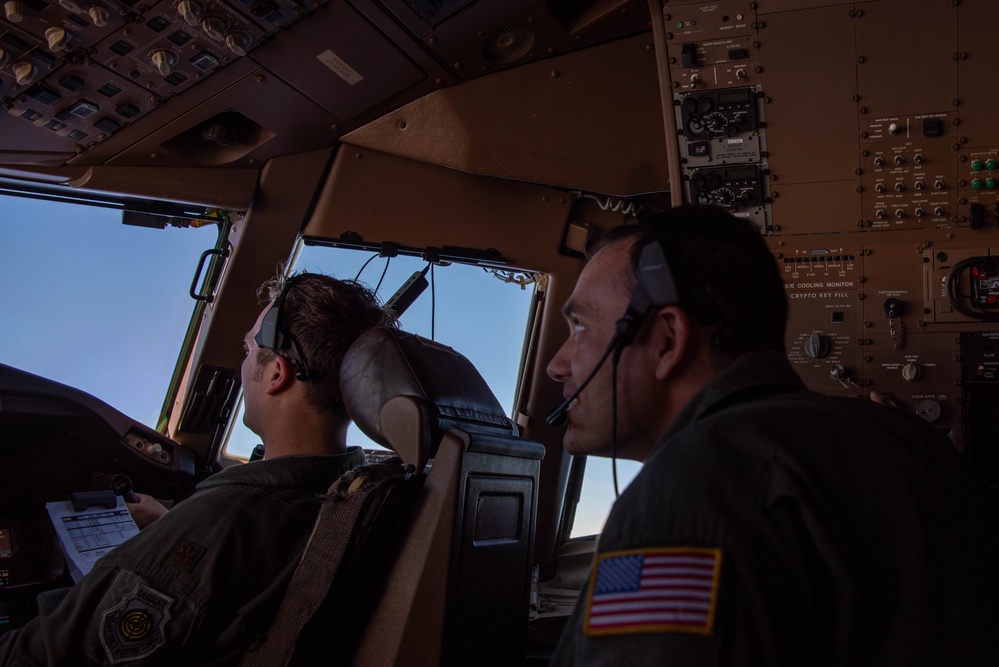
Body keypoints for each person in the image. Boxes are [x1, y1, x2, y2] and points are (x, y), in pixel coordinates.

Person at [546, 205, 999, 665]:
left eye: (579, 327)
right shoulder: (897, 433)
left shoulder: (694, 489)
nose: (556, 364)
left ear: (666, 340)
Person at [0, 272, 395, 665]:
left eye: (246, 351)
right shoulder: (355, 494)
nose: (242, 367)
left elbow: (32, 657)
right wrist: (171, 530)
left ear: (276, 373)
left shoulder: (229, 518)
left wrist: (182, 544)